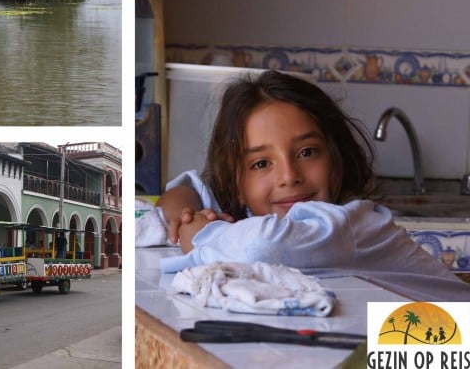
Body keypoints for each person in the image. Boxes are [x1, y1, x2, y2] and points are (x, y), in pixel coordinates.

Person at [156, 70, 470, 302]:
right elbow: (185, 190)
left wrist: (197, 232)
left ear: (336, 160)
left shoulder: (348, 225)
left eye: (307, 152)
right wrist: (184, 212)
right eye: (261, 163)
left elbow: (260, 248)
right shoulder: (253, 207)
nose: (289, 176)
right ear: (236, 185)